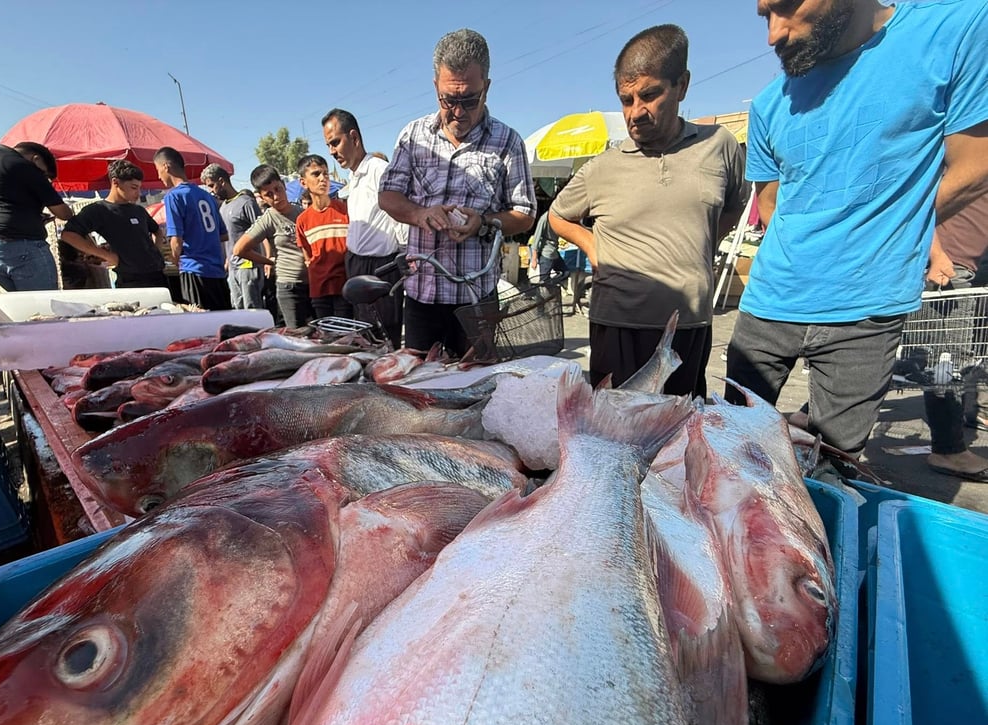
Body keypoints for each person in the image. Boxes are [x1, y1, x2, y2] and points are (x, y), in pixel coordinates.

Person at [724, 0, 988, 457]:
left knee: (830, 465)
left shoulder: (953, 30)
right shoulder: (769, 102)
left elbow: (976, 164)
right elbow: (769, 202)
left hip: (863, 311)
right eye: (764, 15)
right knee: (731, 453)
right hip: (767, 303)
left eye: (786, 7)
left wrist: (886, 234)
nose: (773, 34)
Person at [550, 25, 746, 397]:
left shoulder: (720, 146)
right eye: (626, 100)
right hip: (618, 323)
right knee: (615, 432)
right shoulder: (602, 168)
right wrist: (595, 249)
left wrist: (701, 245)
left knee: (679, 431)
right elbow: (558, 216)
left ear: (682, 86)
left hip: (688, 324)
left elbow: (735, 206)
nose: (635, 112)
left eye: (649, 95)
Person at [378, 28, 535, 356]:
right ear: (436, 85)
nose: (459, 112)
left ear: (487, 88)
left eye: (469, 99)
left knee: (475, 391)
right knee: (419, 392)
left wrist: (484, 223)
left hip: (478, 302)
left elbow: (525, 214)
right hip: (422, 297)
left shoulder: (508, 142)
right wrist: (420, 214)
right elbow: (388, 195)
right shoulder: (413, 135)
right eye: (449, 100)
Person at [322, 108, 407, 346]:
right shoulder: (355, 177)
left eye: (335, 142)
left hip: (381, 267)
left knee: (385, 338)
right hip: (357, 263)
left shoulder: (379, 171)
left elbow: (400, 217)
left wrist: (402, 260)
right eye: (328, 145)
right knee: (365, 337)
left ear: (354, 138)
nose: (332, 152)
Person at [922, 190, 988, 481]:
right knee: (944, 364)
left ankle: (974, 412)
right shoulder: (966, 145)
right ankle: (948, 449)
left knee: (953, 360)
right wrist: (935, 253)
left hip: (969, 260)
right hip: (949, 264)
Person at [0, 141, 72, 291]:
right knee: (45, 305)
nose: (45, 179)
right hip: (19, 245)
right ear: (36, 159)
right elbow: (63, 213)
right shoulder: (23, 165)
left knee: (25, 307)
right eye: (45, 174)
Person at [60, 160, 167, 290]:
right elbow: (68, 235)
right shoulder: (99, 210)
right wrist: (105, 255)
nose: (138, 193)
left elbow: (157, 231)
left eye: (139, 188)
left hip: (158, 273)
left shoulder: (138, 210)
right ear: (115, 182)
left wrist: (157, 251)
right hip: (130, 278)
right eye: (133, 188)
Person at [234, 165, 312, 328]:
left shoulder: (302, 213)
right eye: (269, 194)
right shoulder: (268, 219)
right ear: (262, 198)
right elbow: (239, 249)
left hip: (314, 285)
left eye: (278, 189)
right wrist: (269, 261)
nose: (276, 196)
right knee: (298, 339)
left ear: (283, 185)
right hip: (289, 288)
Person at [153, 146, 231, 311]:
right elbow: (223, 235)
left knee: (201, 327)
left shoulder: (173, 196)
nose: (158, 176)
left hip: (194, 270)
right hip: (217, 272)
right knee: (223, 324)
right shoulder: (207, 196)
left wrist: (174, 258)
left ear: (166, 166)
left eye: (158, 170)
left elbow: (176, 239)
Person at [201, 163, 266, 309]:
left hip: (249, 267)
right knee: (237, 309)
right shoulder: (222, 207)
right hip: (232, 269)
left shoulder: (246, 202)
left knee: (253, 310)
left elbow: (263, 231)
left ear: (222, 181)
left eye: (212, 185)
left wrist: (267, 261)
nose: (211, 191)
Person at [295, 154, 351, 319]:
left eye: (326, 174)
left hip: (345, 288)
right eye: (316, 174)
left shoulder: (346, 210)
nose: (323, 179)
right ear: (303, 182)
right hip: (319, 290)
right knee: (326, 338)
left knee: (345, 336)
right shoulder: (302, 220)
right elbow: (308, 256)